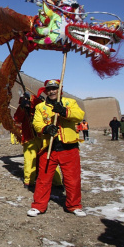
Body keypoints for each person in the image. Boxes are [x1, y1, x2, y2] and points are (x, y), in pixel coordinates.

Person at [27, 79, 86, 217]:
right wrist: (46, 128)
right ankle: (39, 206)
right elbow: (36, 123)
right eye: (49, 89)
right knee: (43, 179)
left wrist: (65, 111)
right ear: (46, 91)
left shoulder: (70, 103)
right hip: (49, 148)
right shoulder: (40, 107)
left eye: (55, 88)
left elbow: (79, 115)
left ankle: (74, 205)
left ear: (60, 90)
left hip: (69, 148)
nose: (52, 91)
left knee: (72, 179)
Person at [13, 92, 63, 189]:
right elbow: (17, 119)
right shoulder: (21, 108)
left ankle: (57, 182)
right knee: (29, 160)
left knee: (49, 159)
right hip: (29, 138)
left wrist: (38, 100)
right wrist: (22, 108)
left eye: (28, 100)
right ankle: (29, 181)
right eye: (24, 100)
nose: (26, 102)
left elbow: (44, 110)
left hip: (42, 137)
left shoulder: (38, 106)